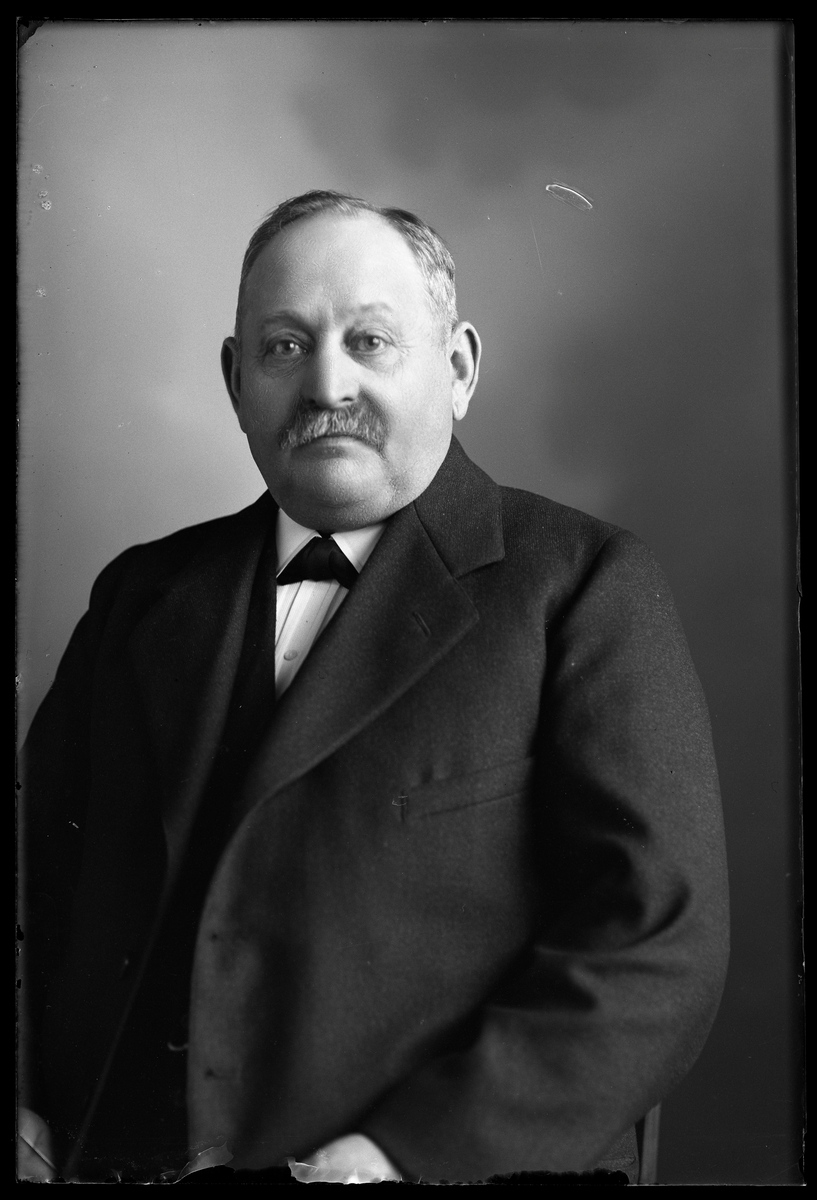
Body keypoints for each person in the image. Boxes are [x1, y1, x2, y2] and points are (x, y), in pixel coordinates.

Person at [18, 190, 729, 1184]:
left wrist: (402, 1156)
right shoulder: (139, 595)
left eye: (369, 341)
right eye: (284, 346)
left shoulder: (581, 584)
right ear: (235, 381)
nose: (325, 384)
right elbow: (31, 882)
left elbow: (655, 943)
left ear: (459, 368)